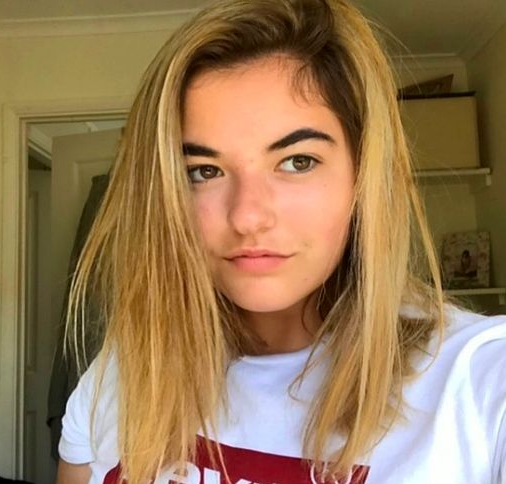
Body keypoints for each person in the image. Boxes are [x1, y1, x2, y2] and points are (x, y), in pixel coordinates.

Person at [56, 0, 506, 483]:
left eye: (297, 161)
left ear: (363, 177)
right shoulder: (123, 371)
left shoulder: (477, 380)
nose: (247, 216)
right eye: (203, 171)